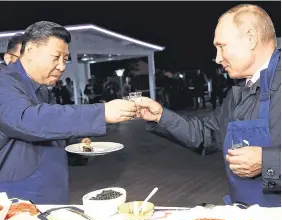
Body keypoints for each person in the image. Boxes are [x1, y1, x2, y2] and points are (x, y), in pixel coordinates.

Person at [136, 4, 281, 207]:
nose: (218, 58)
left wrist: (269, 163)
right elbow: (207, 134)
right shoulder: (240, 90)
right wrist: (160, 116)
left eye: (222, 46)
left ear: (251, 38)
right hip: (250, 219)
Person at [0, 21, 137, 204]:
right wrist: (101, 112)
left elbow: (50, 124)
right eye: (56, 57)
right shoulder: (5, 81)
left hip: (51, 191)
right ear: (31, 50)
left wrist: (75, 141)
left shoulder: (40, 87)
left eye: (65, 60)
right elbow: (27, 119)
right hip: (18, 199)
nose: (62, 67)